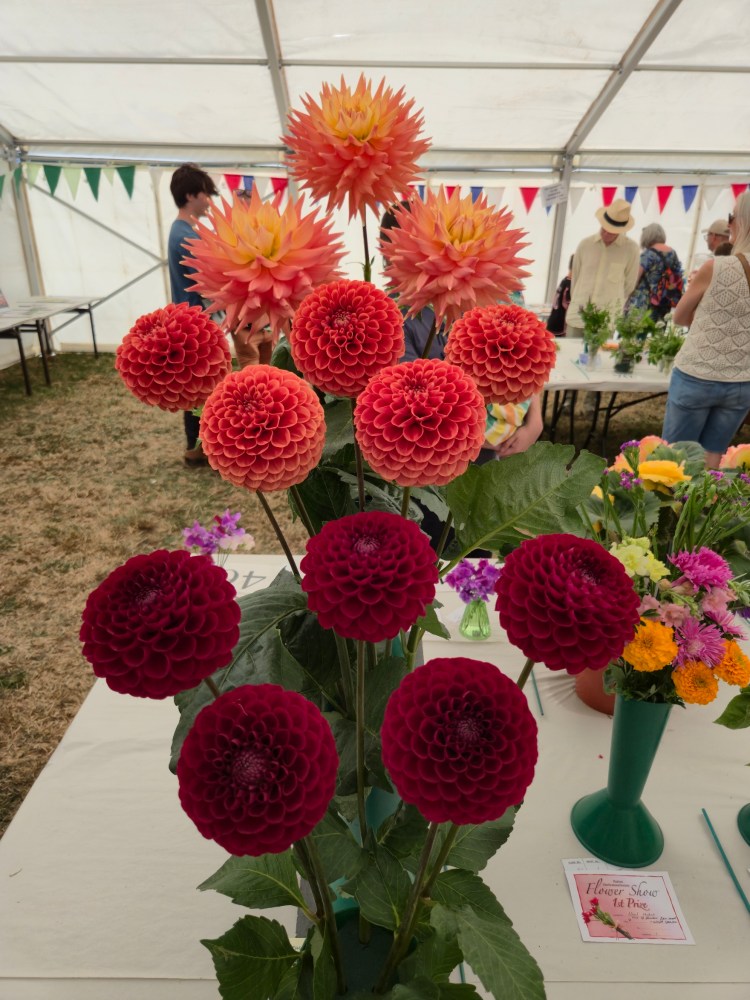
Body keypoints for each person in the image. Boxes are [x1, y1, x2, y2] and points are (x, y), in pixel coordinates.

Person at [662, 194, 750, 470]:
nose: (729, 224)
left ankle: (675, 501)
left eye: (732, 217)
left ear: (742, 222)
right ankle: (702, 499)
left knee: (676, 459)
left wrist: (708, 319)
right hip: (742, 379)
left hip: (698, 373)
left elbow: (679, 317)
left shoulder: (716, 267)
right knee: (713, 457)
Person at [168, 163, 218, 466]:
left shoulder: (183, 231)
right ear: (190, 196)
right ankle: (197, 448)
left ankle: (196, 446)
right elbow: (208, 285)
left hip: (188, 320)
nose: (209, 201)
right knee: (199, 387)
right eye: (205, 194)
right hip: (194, 324)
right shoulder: (186, 236)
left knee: (195, 386)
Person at [567, 199, 640, 338]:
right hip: (578, 315)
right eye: (604, 229)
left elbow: (629, 285)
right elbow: (575, 279)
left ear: (621, 230)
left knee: (601, 352)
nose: (606, 233)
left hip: (606, 320)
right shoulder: (585, 245)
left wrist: (610, 301)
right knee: (571, 350)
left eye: (611, 232)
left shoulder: (631, 249)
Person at [626, 223, 684, 321]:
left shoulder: (647, 254)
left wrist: (626, 297)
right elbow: (678, 275)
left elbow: (634, 279)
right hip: (664, 303)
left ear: (647, 236)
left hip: (644, 303)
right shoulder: (673, 253)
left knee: (636, 329)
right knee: (657, 329)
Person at [546, 255, 573, 335]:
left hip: (553, 320)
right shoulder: (570, 284)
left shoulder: (565, 280)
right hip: (560, 325)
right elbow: (568, 306)